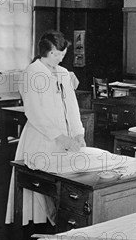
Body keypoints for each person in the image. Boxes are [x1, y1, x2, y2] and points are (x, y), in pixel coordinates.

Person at [5, 31, 86, 225]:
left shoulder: (63, 73)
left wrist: (78, 133)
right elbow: (34, 113)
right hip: (41, 137)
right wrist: (59, 137)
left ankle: (63, 222)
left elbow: (72, 106)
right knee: (41, 185)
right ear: (45, 53)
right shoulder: (31, 73)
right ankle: (40, 224)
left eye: (62, 54)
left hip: (65, 138)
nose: (59, 58)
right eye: (55, 55)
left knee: (65, 183)